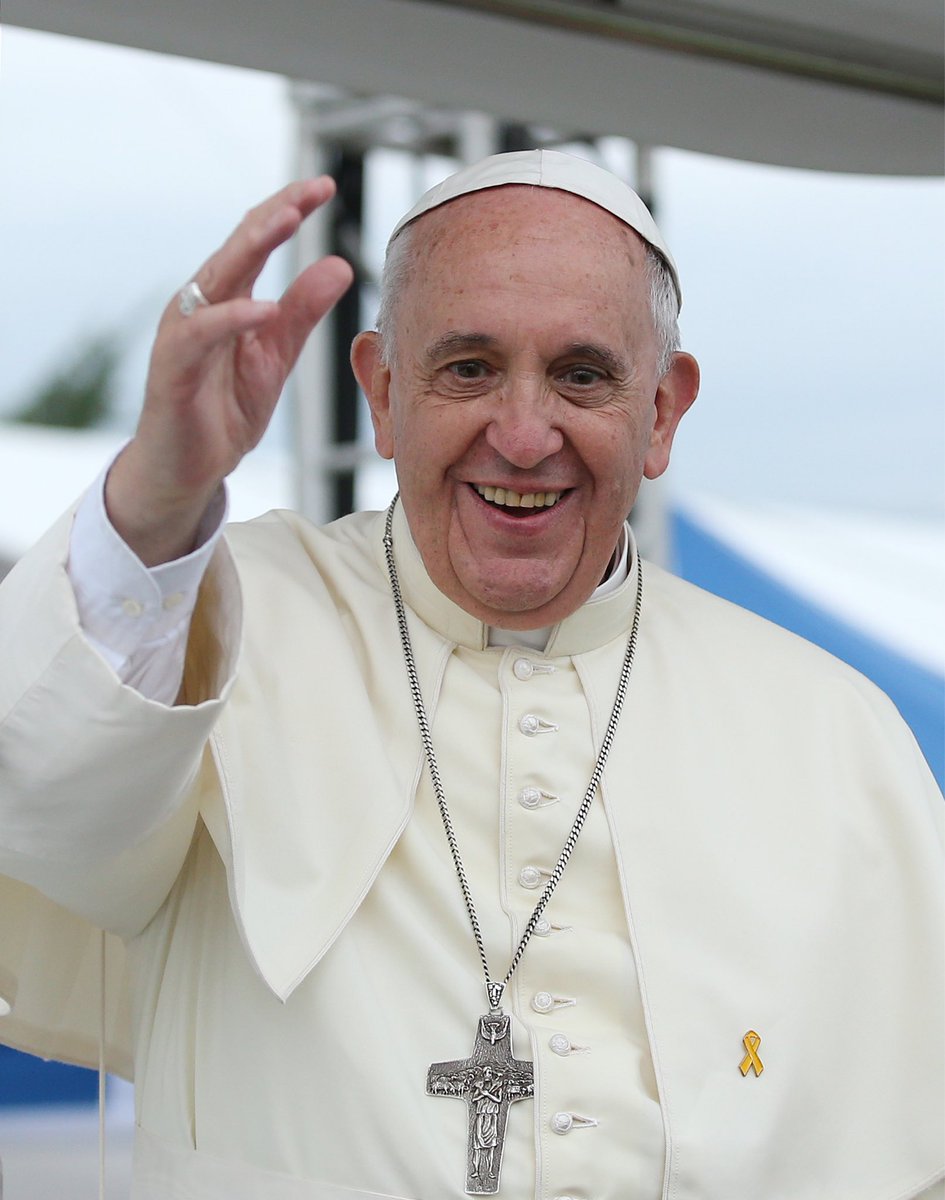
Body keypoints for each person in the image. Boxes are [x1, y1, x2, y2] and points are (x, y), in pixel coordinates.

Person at [0, 150, 941, 1200]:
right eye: (469, 368)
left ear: (664, 411)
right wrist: (155, 498)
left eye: (583, 374)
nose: (525, 434)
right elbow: (44, 807)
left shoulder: (829, 733)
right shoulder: (216, 619)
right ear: (384, 393)